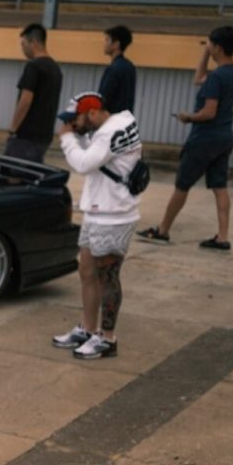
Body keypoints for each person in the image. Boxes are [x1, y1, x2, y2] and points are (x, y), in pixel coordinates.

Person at [51, 92, 142, 361]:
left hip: (114, 214)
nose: (72, 125)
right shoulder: (113, 124)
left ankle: (107, 339)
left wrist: (67, 138)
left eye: (74, 119)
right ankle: (88, 329)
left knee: (108, 276)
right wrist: (78, 134)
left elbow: (82, 163)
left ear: (92, 113)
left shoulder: (109, 133)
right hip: (97, 210)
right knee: (87, 270)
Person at [138, 26, 233, 251]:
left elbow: (209, 112)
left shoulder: (217, 78)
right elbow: (198, 78)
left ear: (219, 48)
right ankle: (223, 237)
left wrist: (188, 117)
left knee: (182, 184)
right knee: (220, 186)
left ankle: (163, 230)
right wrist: (206, 52)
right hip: (224, 137)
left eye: (211, 45)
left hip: (204, 139)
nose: (208, 48)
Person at [5, 23, 63, 164]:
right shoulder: (56, 69)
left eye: (24, 44)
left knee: (13, 177)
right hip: (44, 137)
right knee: (32, 175)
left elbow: (25, 100)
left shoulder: (33, 66)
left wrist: (13, 129)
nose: (22, 48)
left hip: (26, 136)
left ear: (34, 43)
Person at [98, 25, 136, 115]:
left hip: (111, 119)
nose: (105, 43)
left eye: (107, 40)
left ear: (116, 44)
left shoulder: (114, 69)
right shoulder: (130, 67)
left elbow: (104, 98)